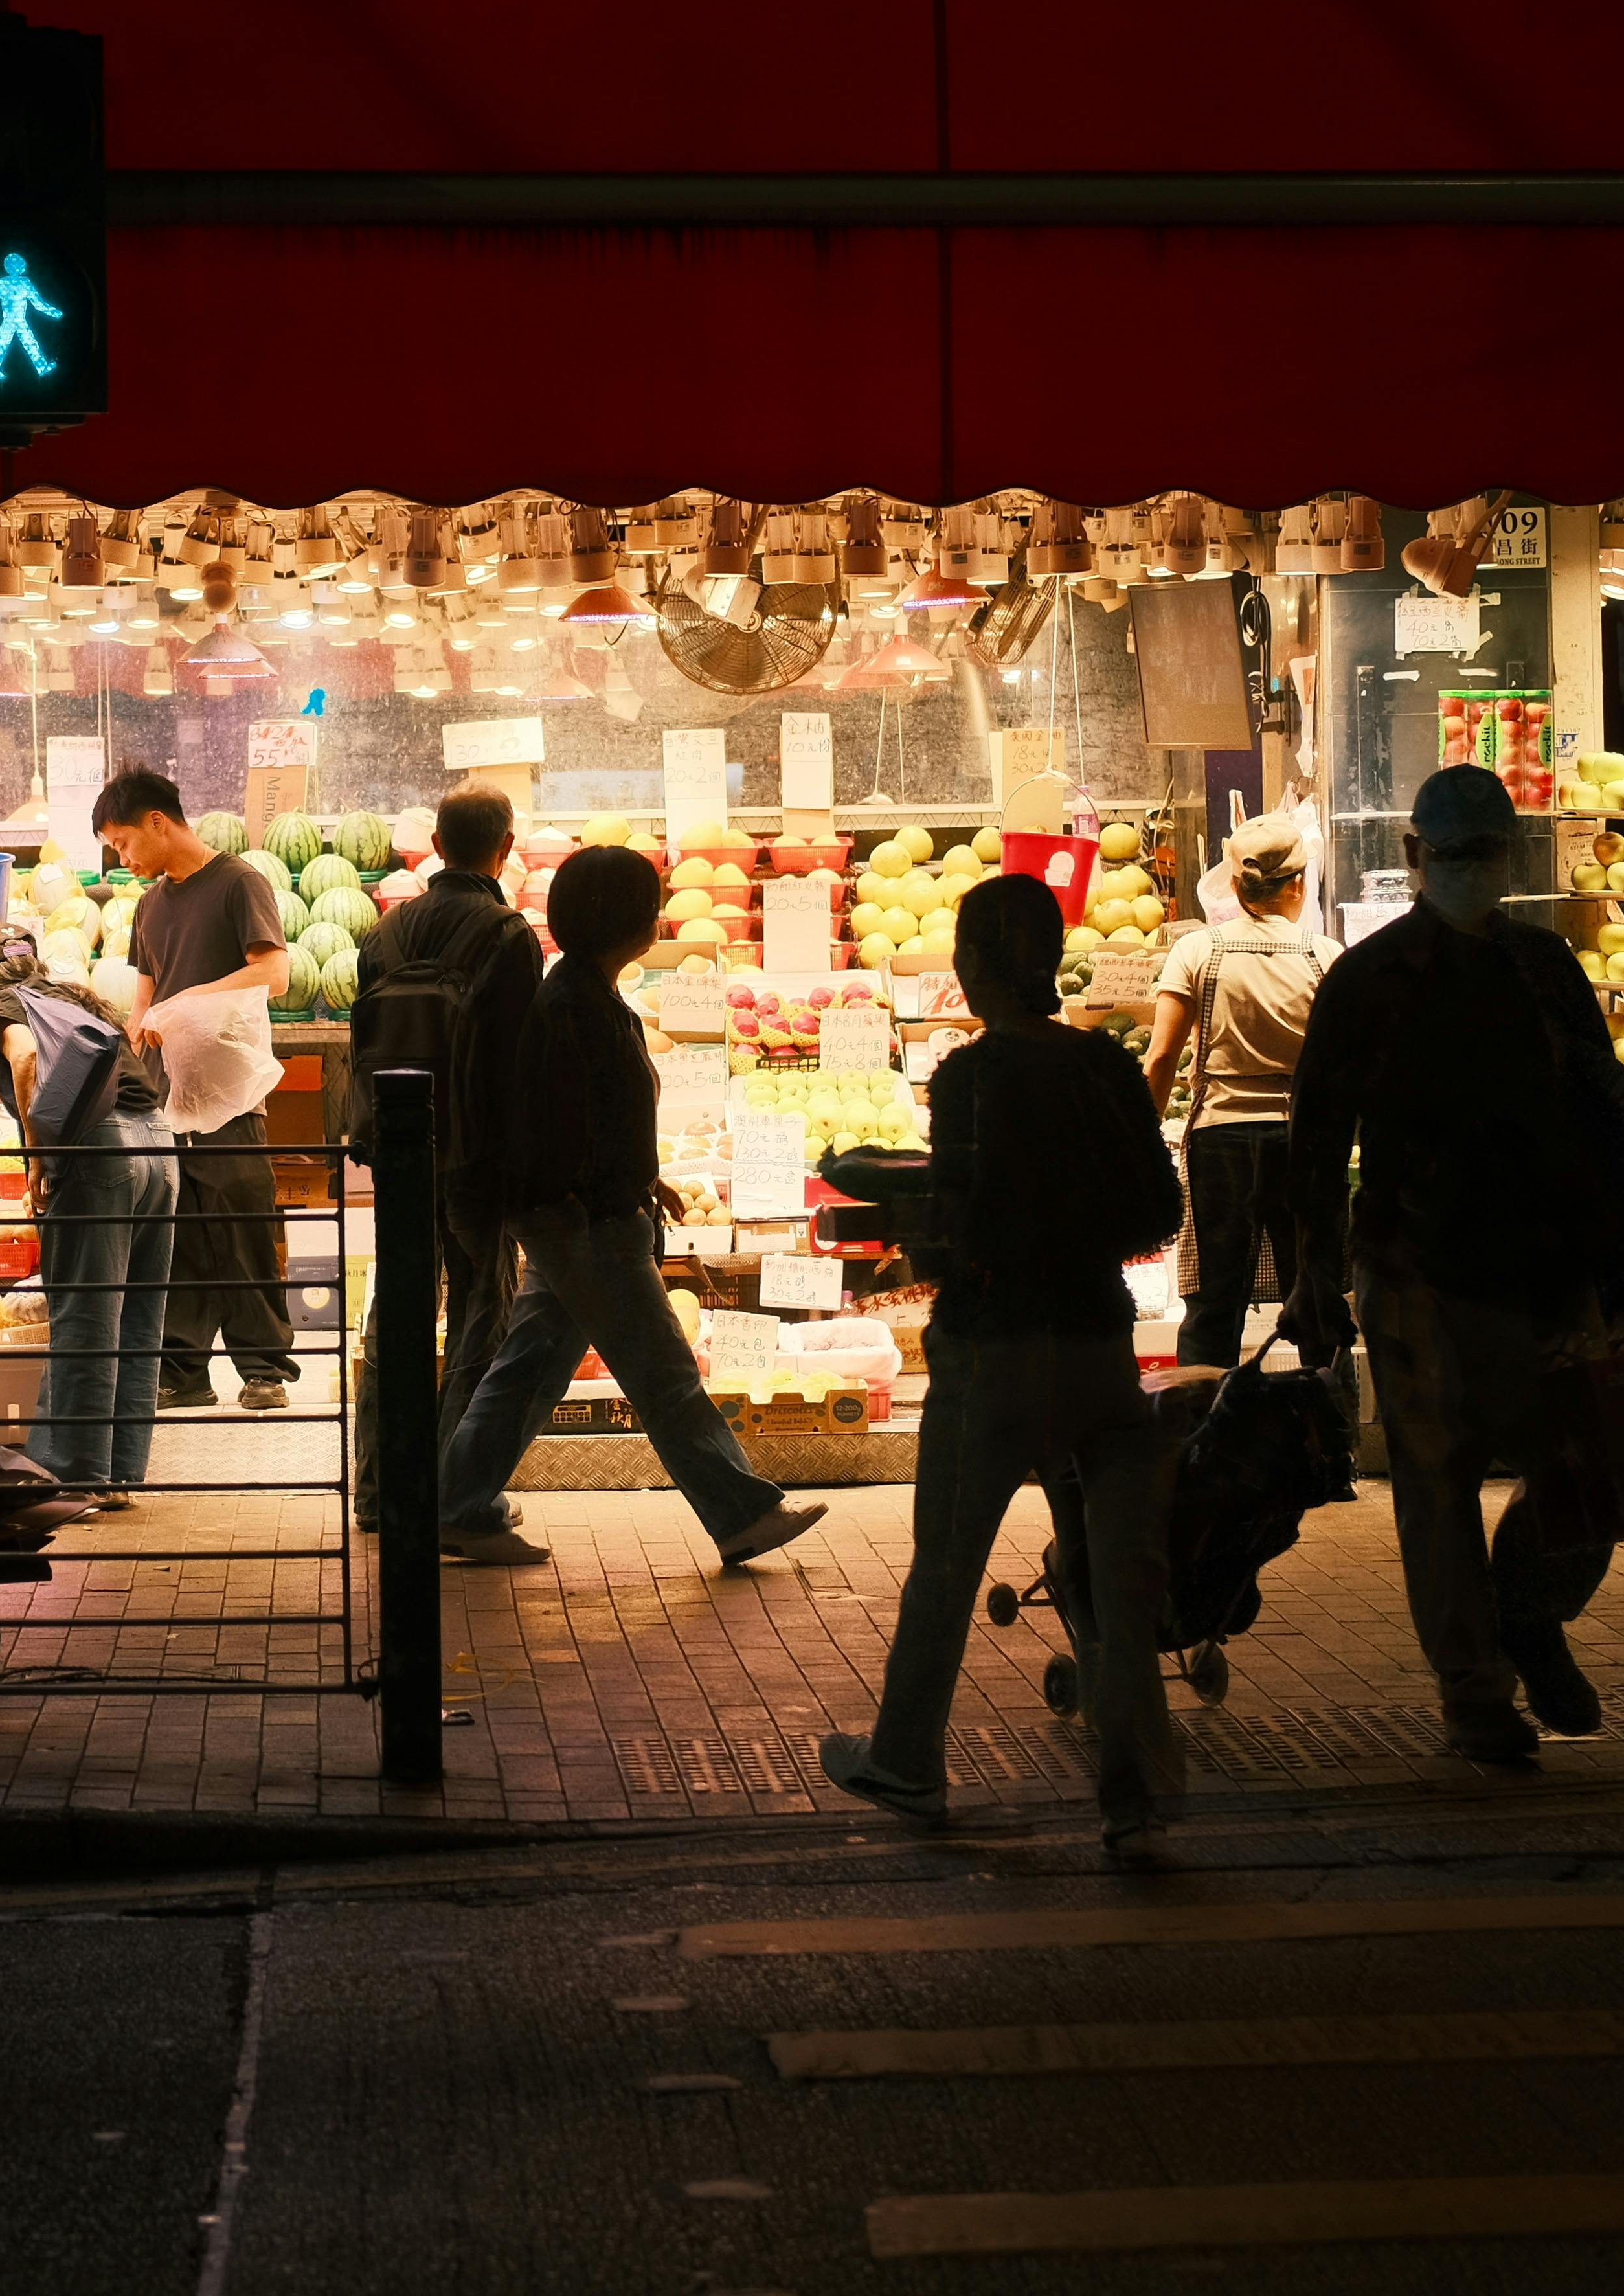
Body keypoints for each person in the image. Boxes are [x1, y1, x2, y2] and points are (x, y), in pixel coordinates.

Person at [1287, 765, 1624, 1765]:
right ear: (1418, 859)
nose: (1467, 872)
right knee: (1437, 1482)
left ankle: (1526, 1618)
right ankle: (1473, 1691)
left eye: (1481, 854)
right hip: (1417, 1269)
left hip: (1546, 1268)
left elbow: (1600, 1114)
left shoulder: (1545, 968)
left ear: (1506, 860)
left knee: (1582, 1470)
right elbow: (1318, 1141)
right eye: (1454, 855)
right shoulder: (1368, 980)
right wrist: (1314, 1277)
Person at [824, 874, 1190, 1847]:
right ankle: (1142, 1791)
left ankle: (905, 1762)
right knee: (1115, 1582)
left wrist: (921, 1238)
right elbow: (1160, 1211)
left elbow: (964, 1219)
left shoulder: (970, 1078)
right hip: (1103, 1351)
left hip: (996, 1349)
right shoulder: (1108, 1069)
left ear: (977, 964)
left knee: (945, 1565)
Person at [434, 844, 827, 1570]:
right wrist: (609, 1199)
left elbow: (597, 1122)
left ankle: (459, 1505)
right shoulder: (576, 1006)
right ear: (626, 922)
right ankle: (742, 1511)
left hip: (579, 1215)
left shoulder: (584, 994)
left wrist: (649, 1181)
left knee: (531, 1365)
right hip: (586, 1223)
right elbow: (571, 1125)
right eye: (649, 906)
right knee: (663, 1370)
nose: (657, 917)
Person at [340, 785, 541, 1530]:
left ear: (435, 845)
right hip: (474, 1158)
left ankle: (375, 1491)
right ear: (506, 846)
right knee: (482, 1316)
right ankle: (446, 1492)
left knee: (395, 1315)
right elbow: (517, 1061)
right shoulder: (506, 934)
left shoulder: (384, 935)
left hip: (398, 1157)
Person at [95, 772, 300, 1413]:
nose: (123, 860)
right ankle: (183, 1371)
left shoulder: (240, 882)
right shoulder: (151, 905)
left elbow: (275, 972)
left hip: (232, 1092)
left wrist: (187, 1005)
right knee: (175, 1238)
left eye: (124, 843)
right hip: (165, 1096)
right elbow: (144, 999)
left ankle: (264, 1367)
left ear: (159, 821)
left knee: (242, 1225)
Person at [0, 922, 175, 1510]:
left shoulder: (4, 1005)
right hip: (158, 1144)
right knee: (136, 1316)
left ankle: (73, 1477)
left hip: (99, 1151)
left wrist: (36, 1156)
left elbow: (26, 1056)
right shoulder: (71, 995)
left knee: (84, 1312)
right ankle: (118, 1476)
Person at [1140, 814, 1336, 1369]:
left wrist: (1141, 1142)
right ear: (1299, 883)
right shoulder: (1325, 955)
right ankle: (1329, 1431)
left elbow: (1159, 1058)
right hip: (1302, 1140)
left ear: (1234, 886)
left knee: (1213, 1304)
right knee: (1315, 1296)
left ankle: (1199, 1434)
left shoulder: (1198, 951)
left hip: (1221, 1139)